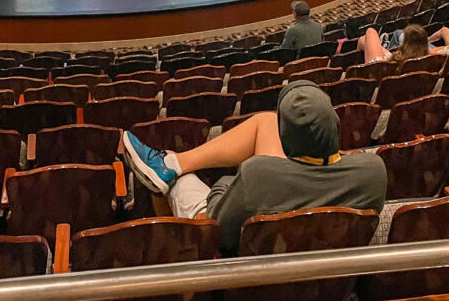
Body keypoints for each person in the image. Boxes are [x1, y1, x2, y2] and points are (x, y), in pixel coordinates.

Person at [122, 80, 387, 256]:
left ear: (287, 142)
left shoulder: (258, 174)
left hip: (249, 269)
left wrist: (227, 182)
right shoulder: (374, 171)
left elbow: (219, 229)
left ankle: (170, 167)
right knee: (266, 121)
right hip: (323, 267)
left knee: (178, 182)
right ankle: (173, 163)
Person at [359, 23, 432, 65]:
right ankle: (381, 45)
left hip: (377, 71)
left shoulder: (396, 62)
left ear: (405, 44)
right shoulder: (430, 59)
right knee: (365, 40)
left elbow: (381, 64)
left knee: (370, 32)